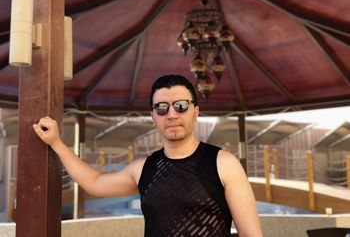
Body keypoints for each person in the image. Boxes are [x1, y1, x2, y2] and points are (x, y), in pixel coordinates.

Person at [33, 74, 263, 237]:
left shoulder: (224, 164)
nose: (172, 114)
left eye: (181, 105)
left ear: (196, 112)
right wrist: (57, 143)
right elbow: (94, 183)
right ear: (153, 116)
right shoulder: (144, 168)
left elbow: (251, 234)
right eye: (162, 107)